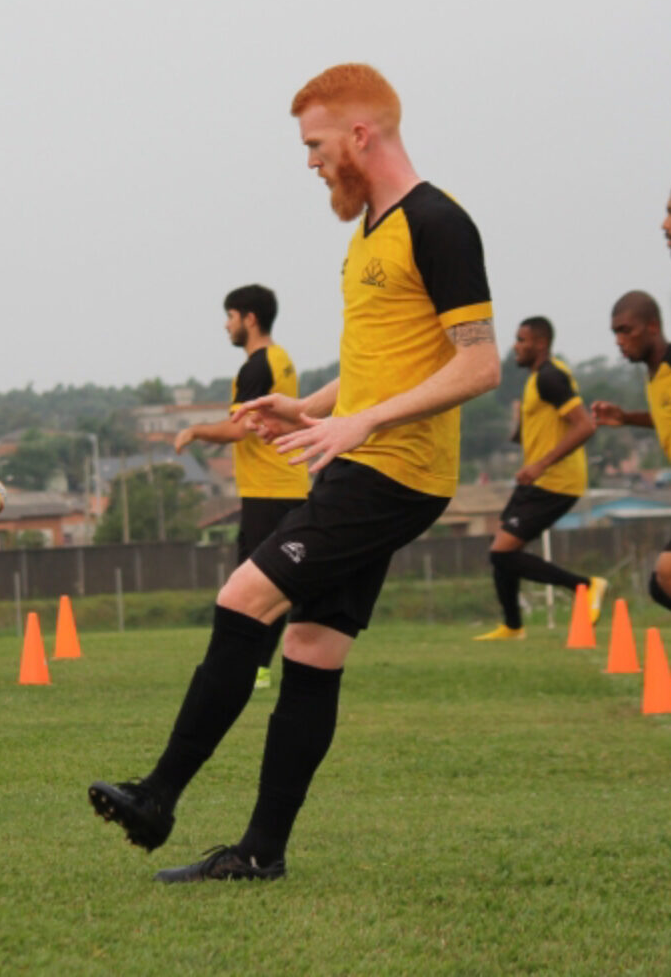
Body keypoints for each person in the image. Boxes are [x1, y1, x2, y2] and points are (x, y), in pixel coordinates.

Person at [89, 63, 500, 881]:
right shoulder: (369, 231)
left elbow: (479, 364)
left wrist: (363, 423)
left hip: (391, 472)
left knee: (243, 596)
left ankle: (157, 796)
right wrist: (307, 407)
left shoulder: (438, 222)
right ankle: (258, 854)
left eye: (314, 144)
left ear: (359, 134)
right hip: (361, 459)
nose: (309, 161)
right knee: (312, 649)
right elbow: (385, 365)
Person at [174, 284, 309, 688]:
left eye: (230, 317)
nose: (226, 325)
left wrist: (195, 430)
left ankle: (253, 668)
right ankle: (259, 666)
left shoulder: (256, 367)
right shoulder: (282, 358)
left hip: (268, 489)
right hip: (288, 483)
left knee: (253, 584)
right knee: (275, 580)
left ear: (249, 318)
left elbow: (237, 430)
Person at [473, 318, 604, 640]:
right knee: (500, 549)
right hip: (537, 479)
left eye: (522, 339)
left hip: (555, 481)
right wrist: (520, 429)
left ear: (540, 343)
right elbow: (543, 430)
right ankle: (512, 626)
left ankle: (585, 586)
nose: (515, 345)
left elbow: (584, 425)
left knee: (502, 553)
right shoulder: (536, 380)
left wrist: (541, 464)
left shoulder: (550, 377)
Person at [591, 289, 671, 618]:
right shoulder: (655, 375)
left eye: (626, 330)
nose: (619, 340)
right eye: (615, 333)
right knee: (663, 587)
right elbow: (669, 418)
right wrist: (626, 418)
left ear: (652, 326)